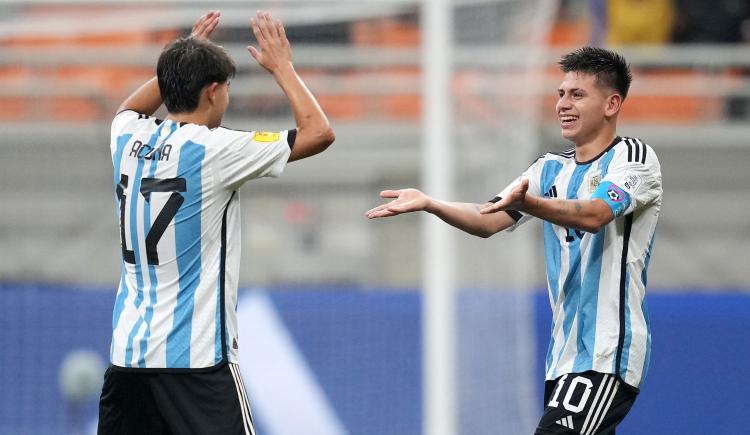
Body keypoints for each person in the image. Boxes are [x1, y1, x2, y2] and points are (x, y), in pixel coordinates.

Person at [367, 47, 662, 434]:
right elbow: (488, 219)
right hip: (564, 356)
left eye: (577, 95)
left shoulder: (634, 159)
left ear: (612, 103)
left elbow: (595, 214)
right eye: (560, 94)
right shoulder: (549, 168)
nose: (563, 105)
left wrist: (532, 203)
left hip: (607, 351)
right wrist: (430, 202)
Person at [98, 10, 334, 435]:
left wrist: (179, 64)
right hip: (196, 363)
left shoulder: (126, 137)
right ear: (212, 92)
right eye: (226, 89)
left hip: (128, 360)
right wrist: (283, 67)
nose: (226, 99)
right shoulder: (215, 150)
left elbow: (128, 108)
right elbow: (318, 132)